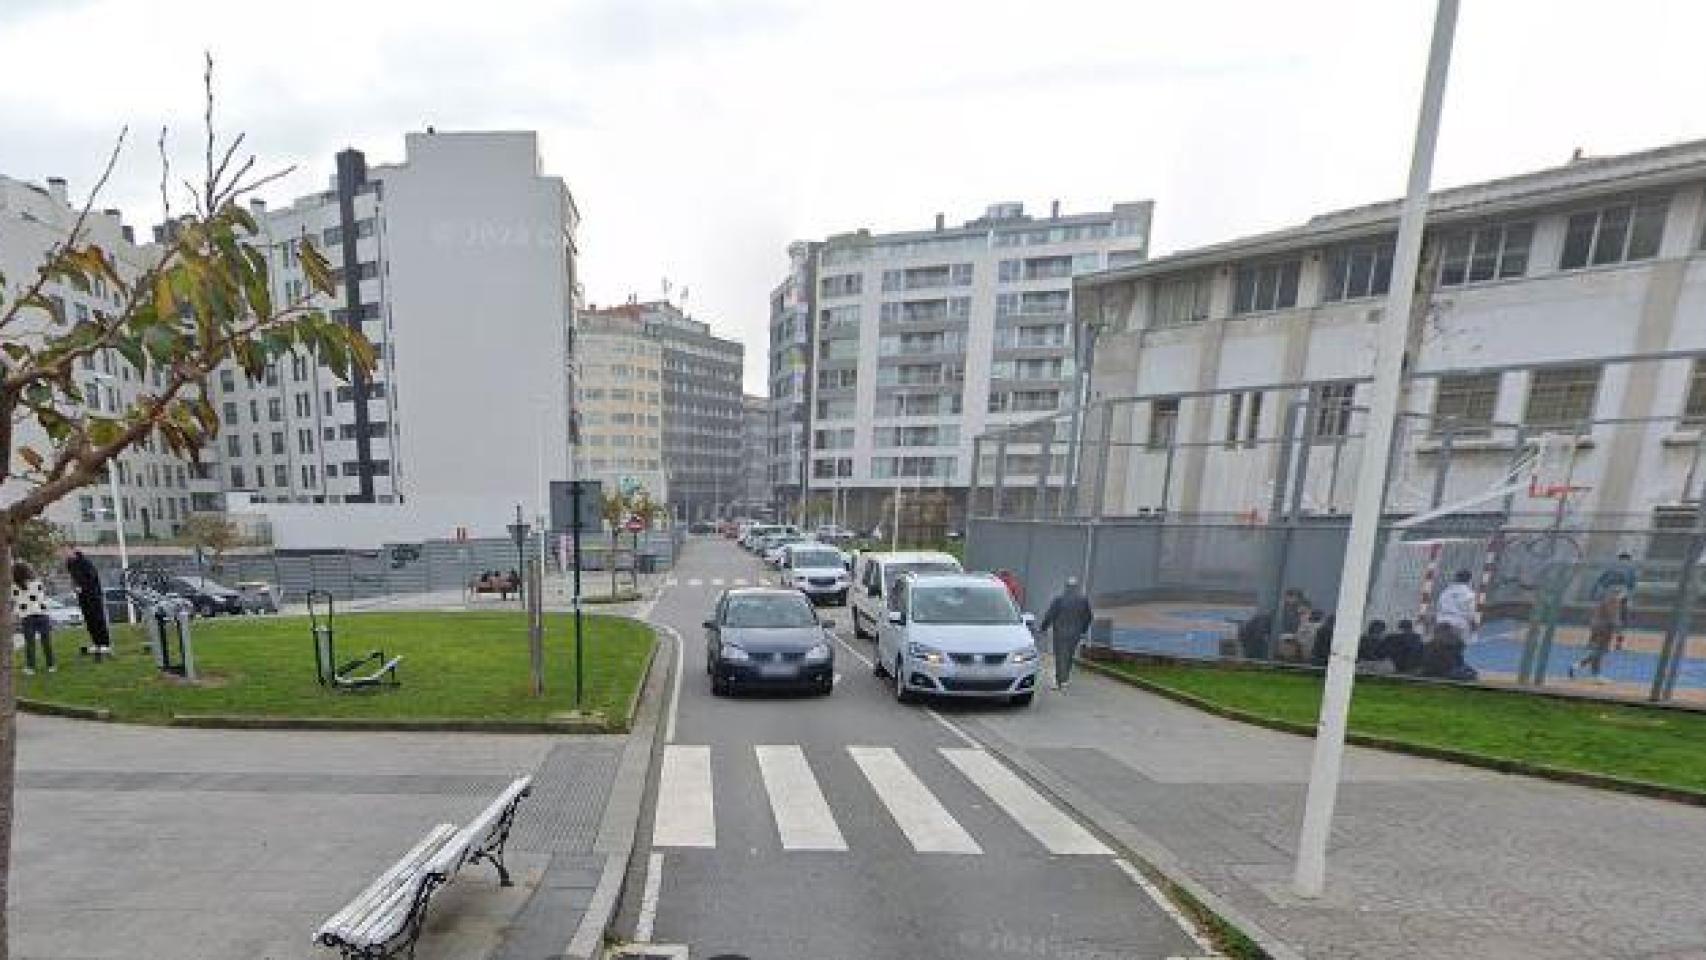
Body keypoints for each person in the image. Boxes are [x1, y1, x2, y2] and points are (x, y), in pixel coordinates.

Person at [1038, 577, 1094, 691]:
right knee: (1068, 656)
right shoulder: (1083, 600)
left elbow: (1050, 615)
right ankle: (1064, 680)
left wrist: (1043, 627)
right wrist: (1083, 629)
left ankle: (1061, 681)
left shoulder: (1059, 599)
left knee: (1060, 657)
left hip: (1060, 633)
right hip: (1075, 634)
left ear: (1066, 587)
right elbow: (1089, 617)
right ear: (1076, 588)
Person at [1422, 569, 1478, 680]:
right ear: (1469, 580)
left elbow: (1439, 607)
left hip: (1442, 622)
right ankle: (1454, 670)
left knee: (1440, 647)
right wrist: (1473, 625)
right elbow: (1470, 612)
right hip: (1459, 624)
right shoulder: (1469, 594)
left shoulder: (1446, 592)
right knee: (1456, 648)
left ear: (1456, 578)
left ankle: (1442, 669)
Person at [62, 545, 112, 656]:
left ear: (73, 550)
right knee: (89, 620)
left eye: (66, 551)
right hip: (82, 596)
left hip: (93, 595)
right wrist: (75, 587)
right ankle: (96, 643)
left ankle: (105, 644)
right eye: (63, 552)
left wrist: (82, 586)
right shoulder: (69, 564)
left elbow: (92, 577)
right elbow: (74, 578)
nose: (64, 553)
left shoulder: (84, 562)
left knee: (97, 619)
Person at [1570, 586, 1624, 682]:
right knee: (1600, 651)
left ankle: (1579, 667)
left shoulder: (1605, 600)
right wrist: (1619, 634)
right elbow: (1613, 618)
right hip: (1604, 628)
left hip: (1597, 627)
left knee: (1599, 651)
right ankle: (1593, 673)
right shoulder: (1613, 601)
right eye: (1620, 593)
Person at [12, 562, 56, 675]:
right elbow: (42, 598)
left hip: (27, 617)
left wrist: (17, 613)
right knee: (46, 641)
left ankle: (31, 667)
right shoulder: (37, 583)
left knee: (30, 643)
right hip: (42, 615)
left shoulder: (14, 587)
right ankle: (51, 665)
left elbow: (16, 602)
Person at [1592, 552, 1638, 650]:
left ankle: (1598, 641)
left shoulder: (1616, 568)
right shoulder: (1626, 569)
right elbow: (1631, 587)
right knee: (1612, 620)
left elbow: (1600, 582)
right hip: (1613, 595)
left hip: (1615, 595)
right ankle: (1601, 641)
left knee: (1610, 620)